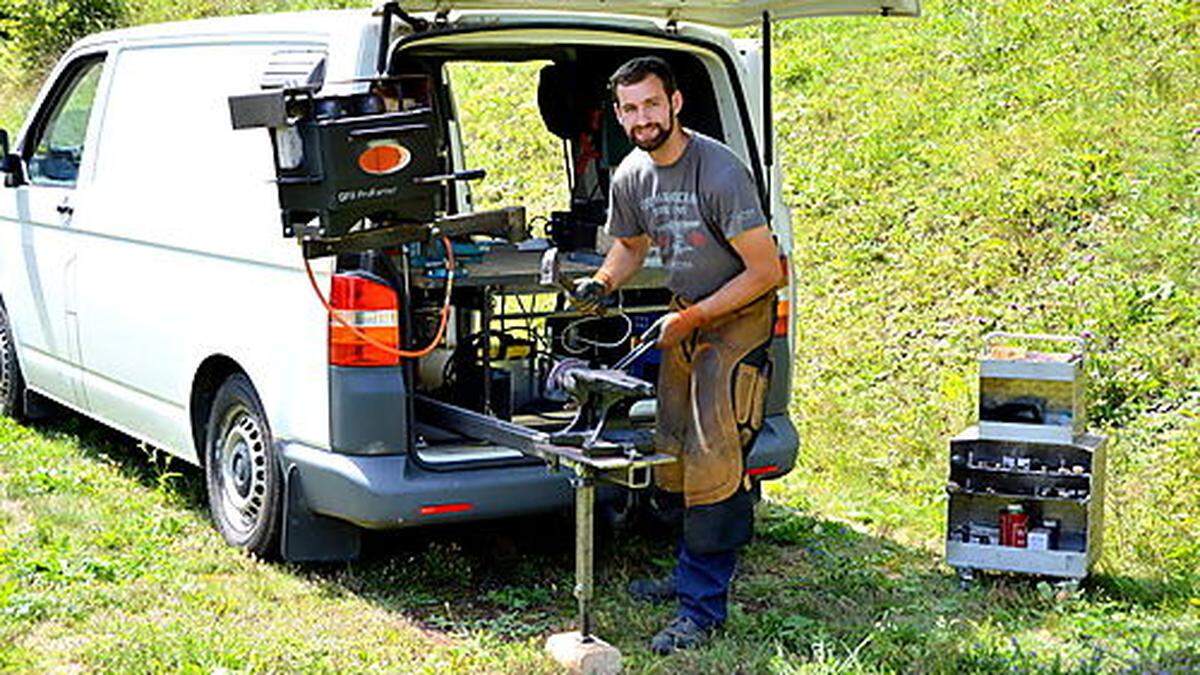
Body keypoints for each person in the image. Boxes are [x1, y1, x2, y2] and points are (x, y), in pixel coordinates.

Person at [572, 56, 783, 654]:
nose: (643, 118)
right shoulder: (633, 174)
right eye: (631, 108)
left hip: (738, 319)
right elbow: (630, 246)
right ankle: (686, 574)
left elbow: (765, 272)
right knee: (674, 453)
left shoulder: (719, 172)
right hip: (687, 316)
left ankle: (702, 611)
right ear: (619, 114)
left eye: (652, 105)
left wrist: (692, 318)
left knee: (715, 457)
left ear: (676, 104)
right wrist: (604, 284)